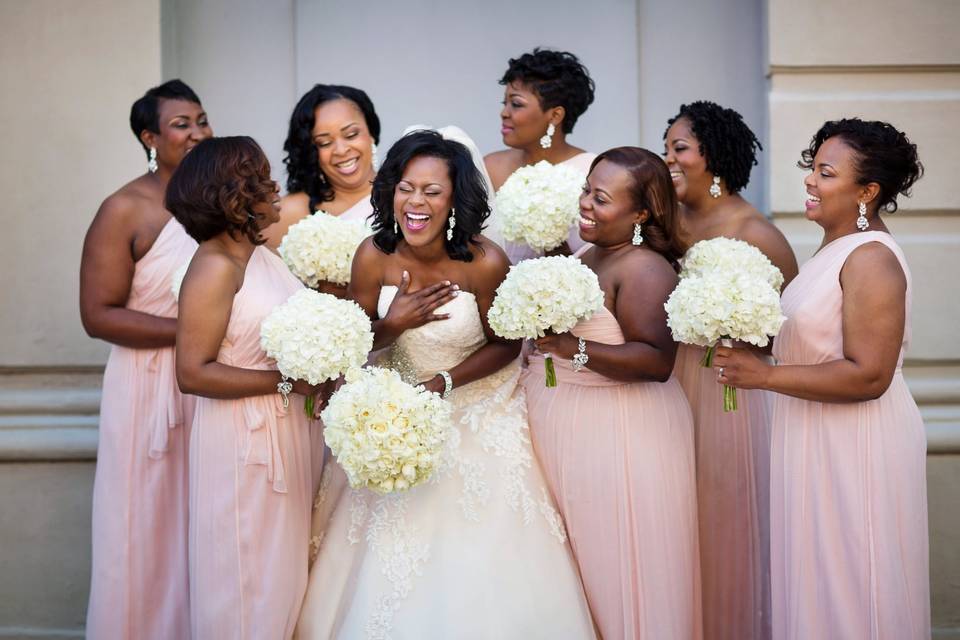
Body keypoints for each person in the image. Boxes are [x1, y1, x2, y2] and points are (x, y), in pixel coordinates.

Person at [297, 129, 596, 639]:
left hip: (475, 409)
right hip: (394, 414)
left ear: (455, 200)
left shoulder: (484, 262)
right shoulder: (373, 255)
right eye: (406, 187)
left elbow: (506, 345)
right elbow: (354, 339)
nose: (416, 202)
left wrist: (445, 382)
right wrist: (393, 325)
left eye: (432, 192)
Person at [712, 118, 929, 639]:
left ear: (867, 191)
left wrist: (765, 376)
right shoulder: (832, 250)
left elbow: (869, 375)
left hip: (854, 445)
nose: (810, 180)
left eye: (826, 173)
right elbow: (818, 341)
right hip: (809, 435)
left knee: (853, 583)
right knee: (814, 582)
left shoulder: (871, 258)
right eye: (813, 168)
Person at [523, 147, 702, 640]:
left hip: (619, 436)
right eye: (586, 191)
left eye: (600, 198)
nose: (585, 204)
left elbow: (656, 361)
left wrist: (570, 347)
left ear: (641, 213)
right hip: (568, 428)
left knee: (615, 566)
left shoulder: (645, 269)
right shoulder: (589, 252)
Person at [168, 136, 324, 639]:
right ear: (233, 192)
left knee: (282, 582)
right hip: (244, 446)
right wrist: (286, 382)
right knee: (246, 582)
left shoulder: (262, 257)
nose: (274, 183)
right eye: (259, 174)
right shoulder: (215, 267)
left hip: (287, 433)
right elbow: (192, 371)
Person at [79, 79, 211, 639]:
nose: (200, 132)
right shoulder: (123, 208)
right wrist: (191, 331)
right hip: (143, 387)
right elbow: (98, 314)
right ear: (150, 137)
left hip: (205, 385)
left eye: (203, 120)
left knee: (197, 522)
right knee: (140, 524)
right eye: (183, 124)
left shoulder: (214, 202)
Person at [663, 100, 798, 640]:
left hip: (726, 395)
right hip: (667, 384)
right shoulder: (663, 221)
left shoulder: (756, 232)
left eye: (680, 148)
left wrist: (739, 331)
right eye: (666, 146)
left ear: (712, 156)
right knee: (673, 516)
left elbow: (787, 330)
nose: (668, 157)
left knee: (721, 519)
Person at [483, 48, 597, 262]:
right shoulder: (490, 167)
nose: (504, 113)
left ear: (555, 115)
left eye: (516, 104)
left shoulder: (593, 171)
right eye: (504, 103)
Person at [264, 84, 380, 280]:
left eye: (351, 134)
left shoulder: (404, 193)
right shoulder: (290, 212)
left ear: (371, 132)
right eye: (324, 143)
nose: (341, 150)